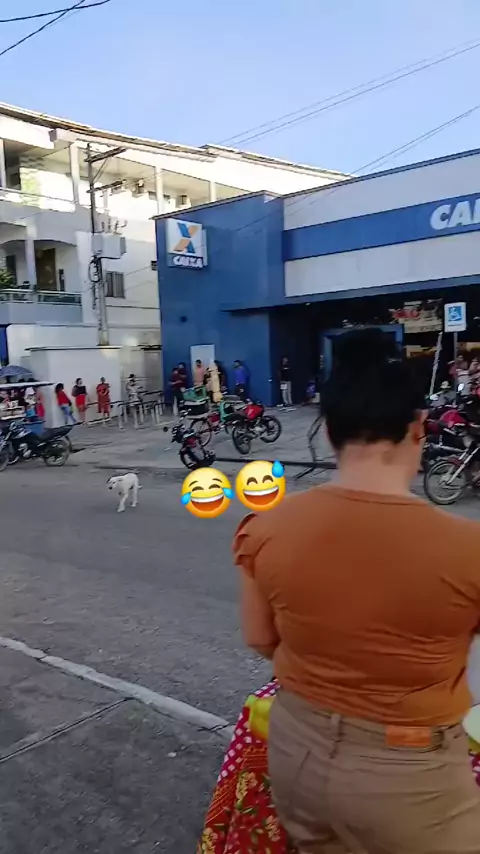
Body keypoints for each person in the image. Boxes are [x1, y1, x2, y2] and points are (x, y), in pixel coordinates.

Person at [233, 329, 480, 854]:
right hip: (412, 780)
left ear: (328, 432)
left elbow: (259, 637)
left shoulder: (265, 528)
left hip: (297, 752)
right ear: (418, 427)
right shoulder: (468, 548)